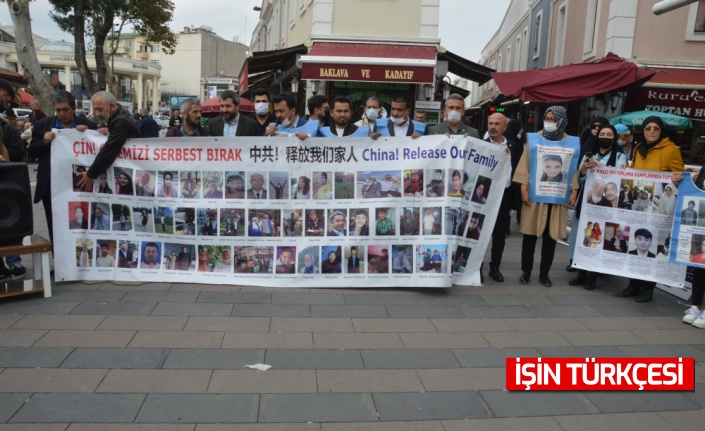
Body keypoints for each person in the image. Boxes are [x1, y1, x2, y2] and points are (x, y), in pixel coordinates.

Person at [513, 106, 579, 287]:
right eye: (547, 118)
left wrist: (574, 191)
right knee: (530, 235)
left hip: (557, 197)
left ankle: (544, 274)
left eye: (552, 119)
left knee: (551, 238)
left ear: (561, 121)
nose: (549, 122)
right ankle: (526, 272)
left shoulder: (570, 143)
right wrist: (523, 189)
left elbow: (571, 169)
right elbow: (525, 165)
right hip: (535, 195)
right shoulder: (534, 139)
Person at [30, 90, 97, 245]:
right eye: (58, 110)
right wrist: (44, 142)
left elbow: (96, 151)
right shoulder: (42, 125)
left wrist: (87, 134)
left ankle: (78, 265)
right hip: (52, 186)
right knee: (55, 225)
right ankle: (59, 265)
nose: (61, 114)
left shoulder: (88, 125)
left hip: (79, 184)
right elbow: (31, 152)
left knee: (80, 224)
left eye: (65, 110)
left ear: (74, 108)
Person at [75, 91, 140, 191]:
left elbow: (109, 150)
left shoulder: (121, 120)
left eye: (100, 109)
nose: (97, 114)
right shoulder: (117, 117)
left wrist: (90, 174)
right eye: (95, 110)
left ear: (113, 106)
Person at [483, 113, 517, 282]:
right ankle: (477, 268)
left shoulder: (514, 147)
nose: (493, 127)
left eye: (497, 124)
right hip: (484, 196)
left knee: (499, 234)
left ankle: (495, 267)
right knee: (480, 232)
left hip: (504, 196)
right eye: (490, 123)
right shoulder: (480, 145)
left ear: (505, 127)